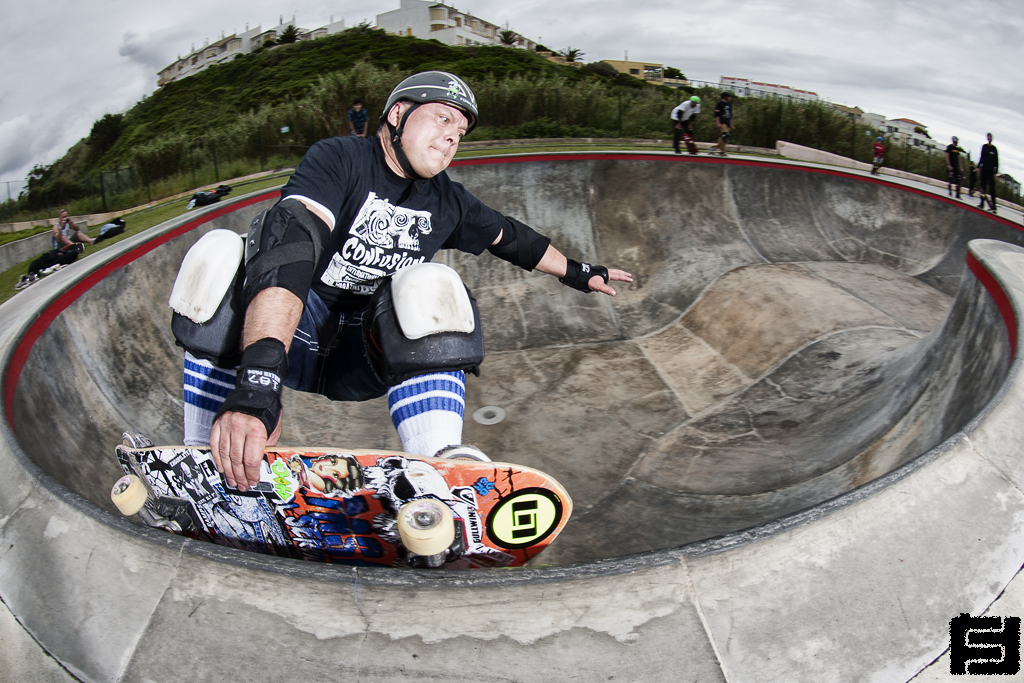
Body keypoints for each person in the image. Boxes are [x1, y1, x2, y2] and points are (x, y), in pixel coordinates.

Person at [173, 71, 633, 492]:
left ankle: (439, 462)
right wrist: (259, 382)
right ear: (398, 114)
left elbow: (511, 238)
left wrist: (579, 272)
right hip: (291, 333)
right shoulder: (340, 158)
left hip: (369, 351)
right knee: (223, 251)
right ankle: (200, 455)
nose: (451, 135)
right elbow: (293, 244)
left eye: (460, 132)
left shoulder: (448, 200)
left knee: (432, 280)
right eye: (441, 118)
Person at [978, 132, 999, 213]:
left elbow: (996, 161)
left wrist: (995, 172)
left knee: (992, 189)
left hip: (991, 171)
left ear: (992, 139)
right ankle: (981, 203)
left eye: (990, 137)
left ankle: (994, 207)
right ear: (987, 138)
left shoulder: (994, 149)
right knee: (982, 187)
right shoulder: (984, 147)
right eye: (988, 137)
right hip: (984, 169)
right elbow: (981, 157)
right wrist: (978, 167)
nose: (989, 138)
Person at [713, 92, 734, 157]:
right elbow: (717, 115)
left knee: (725, 137)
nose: (730, 98)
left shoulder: (729, 104)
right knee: (725, 135)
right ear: (725, 97)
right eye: (729, 97)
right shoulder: (719, 104)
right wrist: (718, 123)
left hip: (727, 122)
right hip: (722, 121)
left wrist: (731, 124)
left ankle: (717, 148)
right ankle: (722, 151)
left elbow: (730, 115)